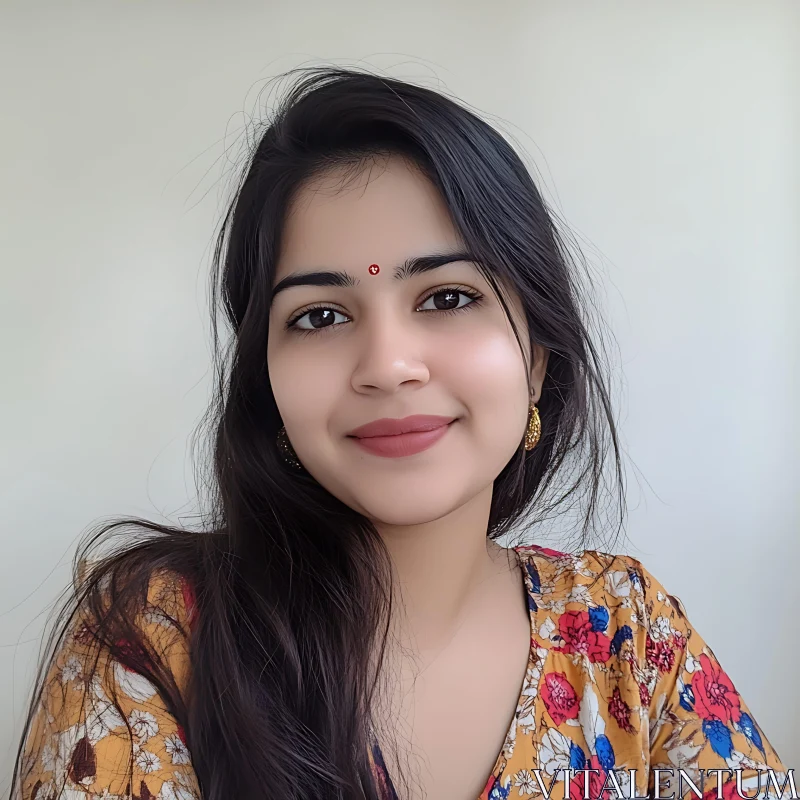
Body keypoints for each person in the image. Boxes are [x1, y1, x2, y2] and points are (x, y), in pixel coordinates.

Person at [9, 66, 787, 800]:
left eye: (447, 298)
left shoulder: (627, 637)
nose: (386, 364)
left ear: (539, 359)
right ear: (267, 381)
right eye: (320, 316)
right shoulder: (157, 641)